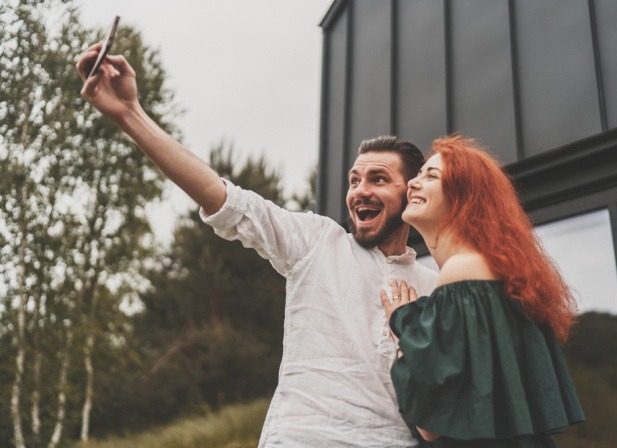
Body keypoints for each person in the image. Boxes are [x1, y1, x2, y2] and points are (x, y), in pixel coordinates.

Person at [76, 43, 438, 447]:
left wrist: (407, 332)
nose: (360, 191)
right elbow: (225, 198)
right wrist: (130, 114)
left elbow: (437, 411)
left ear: (412, 192)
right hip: (301, 437)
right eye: (354, 180)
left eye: (379, 179)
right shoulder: (317, 241)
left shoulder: (435, 286)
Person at [381, 134, 585, 447]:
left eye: (431, 175)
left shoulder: (463, 271)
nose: (413, 183)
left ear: (464, 197)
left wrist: (402, 327)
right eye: (417, 174)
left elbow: (430, 424)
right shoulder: (495, 278)